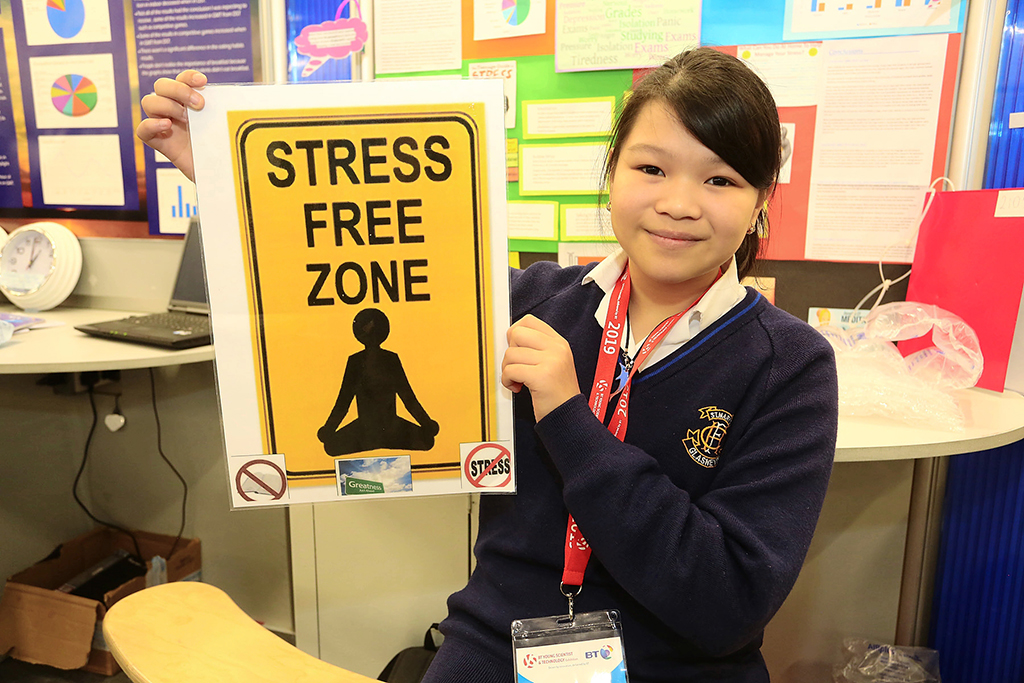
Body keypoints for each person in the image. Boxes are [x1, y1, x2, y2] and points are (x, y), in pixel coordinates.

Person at [138, 48, 838, 683]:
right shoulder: (525, 303)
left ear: (760, 201)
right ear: (612, 173)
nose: (677, 203)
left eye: (719, 179)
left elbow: (726, 604)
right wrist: (231, 185)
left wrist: (568, 417)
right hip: (500, 642)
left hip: (678, 665)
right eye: (650, 168)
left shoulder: (790, 365)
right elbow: (355, 284)